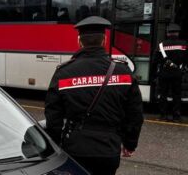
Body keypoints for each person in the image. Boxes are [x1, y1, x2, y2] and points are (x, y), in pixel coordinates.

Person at [45, 16, 144, 175]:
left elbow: (53, 115)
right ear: (104, 41)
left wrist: (55, 145)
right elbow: (135, 114)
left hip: (75, 148)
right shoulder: (123, 72)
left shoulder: (64, 72)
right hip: (108, 149)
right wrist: (130, 143)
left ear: (80, 41)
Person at [152, 23, 188, 122]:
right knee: (177, 94)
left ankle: (163, 115)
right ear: (177, 33)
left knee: (163, 94)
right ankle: (176, 116)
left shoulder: (161, 45)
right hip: (178, 74)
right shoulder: (184, 45)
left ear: (168, 33)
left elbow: (155, 61)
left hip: (164, 74)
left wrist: (154, 74)